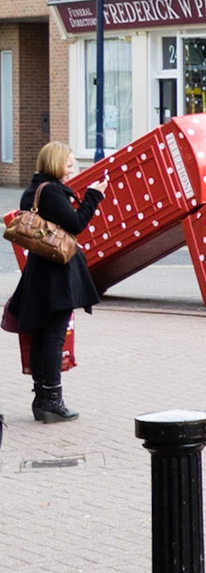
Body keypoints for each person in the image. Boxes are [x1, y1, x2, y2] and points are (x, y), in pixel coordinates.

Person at [7, 143, 104, 423]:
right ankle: (52, 401)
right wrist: (94, 196)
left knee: (42, 335)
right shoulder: (50, 192)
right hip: (57, 274)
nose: (71, 170)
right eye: (68, 164)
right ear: (55, 163)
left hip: (39, 271)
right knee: (53, 336)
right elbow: (76, 223)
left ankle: (42, 399)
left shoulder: (35, 190)